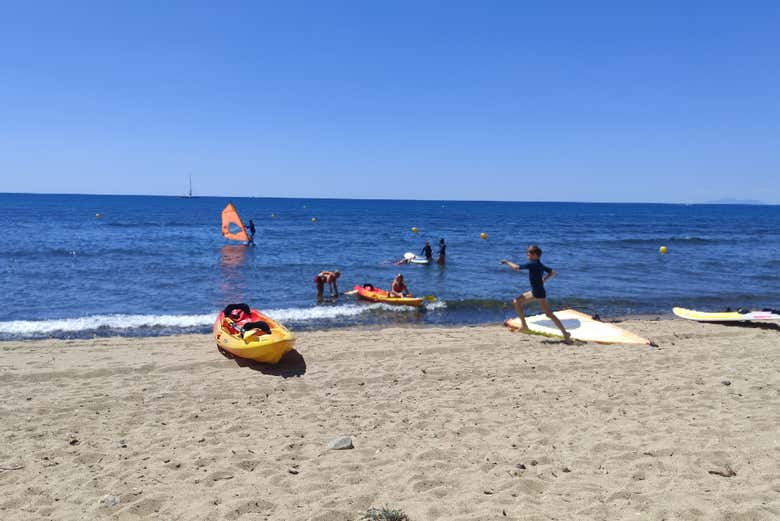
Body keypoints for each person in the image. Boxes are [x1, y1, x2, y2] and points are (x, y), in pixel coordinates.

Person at [500, 245, 571, 343]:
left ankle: (565, 333)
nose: (527, 254)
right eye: (527, 252)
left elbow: (516, 267)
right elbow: (552, 272)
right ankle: (524, 326)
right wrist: (543, 280)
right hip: (536, 291)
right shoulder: (539, 264)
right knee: (516, 301)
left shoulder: (532, 264)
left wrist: (507, 262)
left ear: (535, 255)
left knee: (549, 314)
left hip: (538, 293)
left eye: (529, 252)